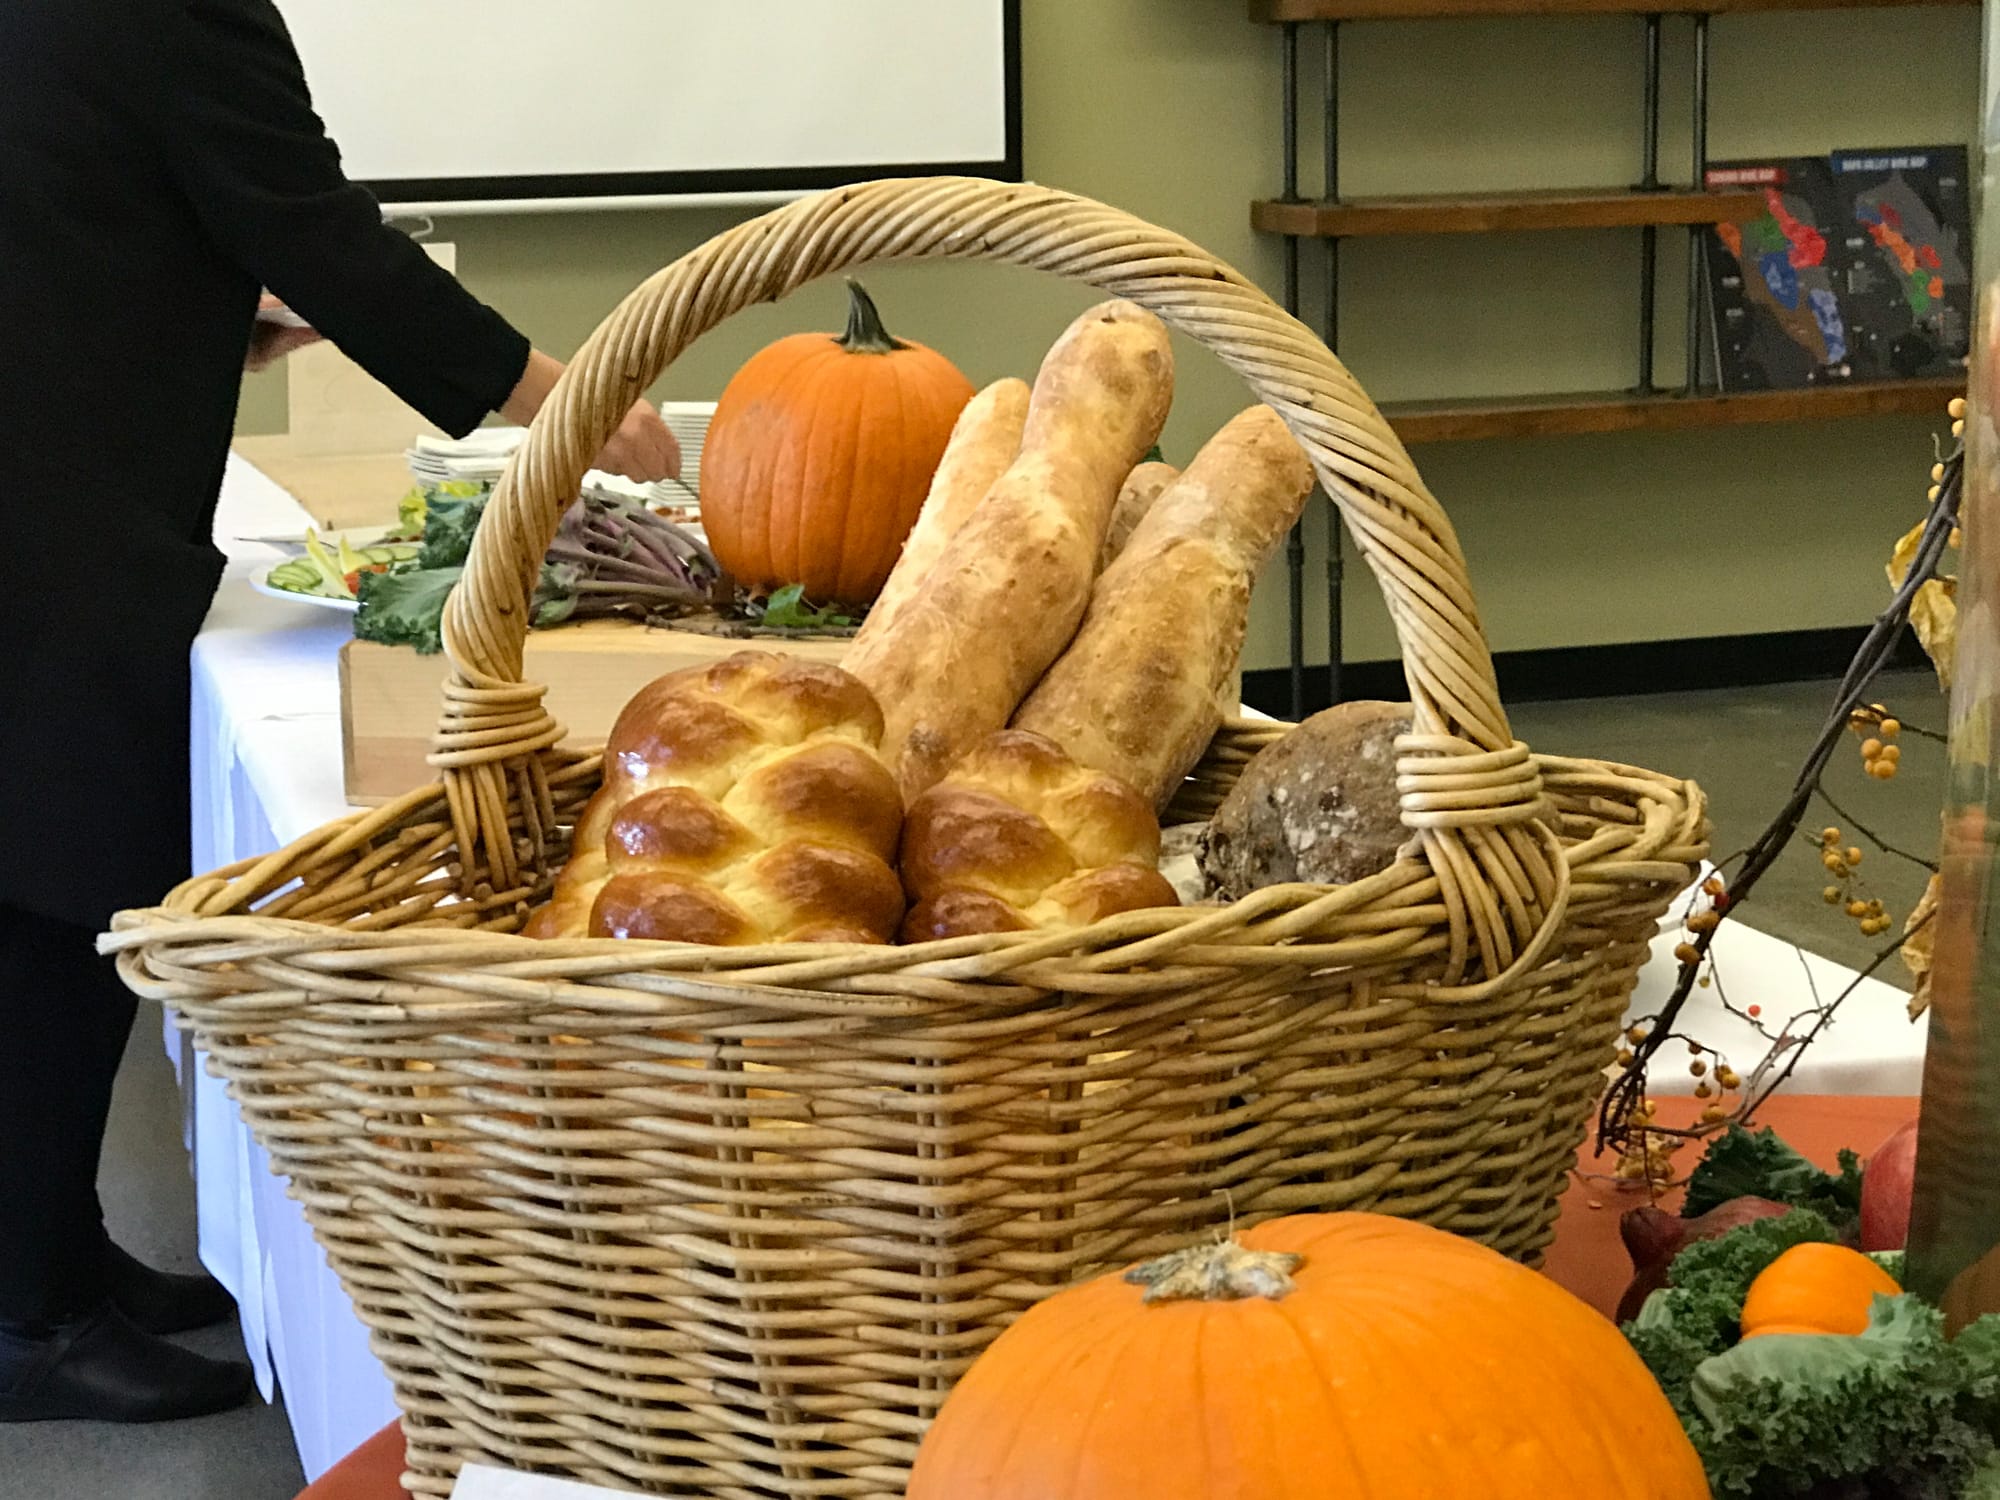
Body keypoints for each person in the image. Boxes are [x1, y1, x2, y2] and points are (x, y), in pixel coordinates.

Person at [0, 0, 679, 1423]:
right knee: (50, 902)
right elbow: (318, 229)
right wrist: (566, 400)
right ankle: (28, 1319)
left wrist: (201, 292)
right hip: (49, 509)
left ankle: (57, 1256)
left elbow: (77, 188)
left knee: (42, 891)